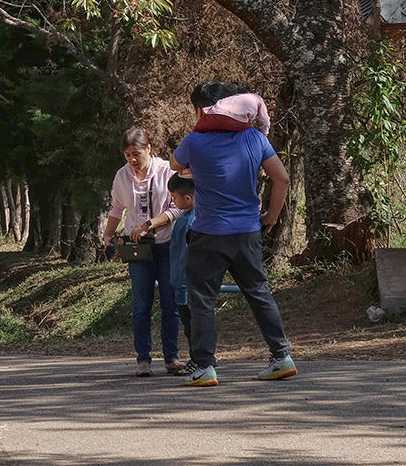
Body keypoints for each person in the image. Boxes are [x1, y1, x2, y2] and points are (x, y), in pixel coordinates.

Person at [173, 82, 297, 386]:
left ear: (203, 111)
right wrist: (271, 215)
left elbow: (176, 165)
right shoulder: (255, 138)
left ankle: (204, 366)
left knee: (202, 299)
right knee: (258, 292)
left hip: (208, 233)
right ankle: (281, 357)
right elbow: (282, 179)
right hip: (248, 231)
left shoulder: (194, 141)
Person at [100, 127, 181, 376]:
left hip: (168, 245)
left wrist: (149, 225)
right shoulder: (122, 176)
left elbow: (177, 208)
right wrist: (108, 235)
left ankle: (172, 357)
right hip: (139, 251)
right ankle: (143, 359)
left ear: (150, 148)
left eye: (136, 153)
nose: (132, 160)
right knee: (141, 304)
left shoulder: (168, 170)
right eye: (127, 155)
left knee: (171, 302)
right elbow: (117, 209)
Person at [139, 171, 196, 369]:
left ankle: (202, 360)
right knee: (189, 326)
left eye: (174, 198)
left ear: (187, 198)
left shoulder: (193, 222)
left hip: (189, 285)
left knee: (195, 325)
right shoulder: (183, 219)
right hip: (178, 282)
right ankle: (198, 359)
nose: (173, 202)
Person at [192, 85, 272, 136]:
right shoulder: (257, 99)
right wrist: (264, 135)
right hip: (241, 123)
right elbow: (265, 120)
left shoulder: (226, 101)